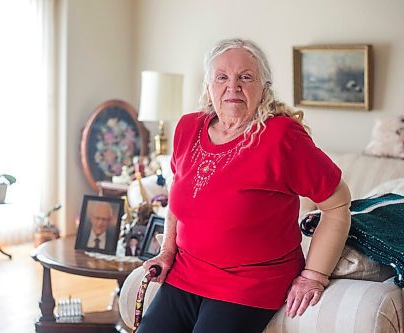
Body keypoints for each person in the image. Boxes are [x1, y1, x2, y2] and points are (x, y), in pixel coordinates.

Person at [138, 38, 351, 333]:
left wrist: (314, 275)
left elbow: (338, 204)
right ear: (208, 86)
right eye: (222, 77)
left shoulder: (283, 136)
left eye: (245, 77)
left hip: (251, 284)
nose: (233, 87)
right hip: (187, 273)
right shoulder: (188, 127)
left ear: (264, 87)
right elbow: (177, 193)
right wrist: (167, 251)